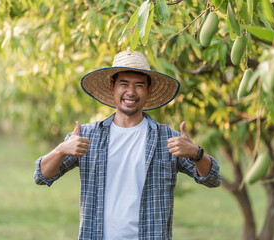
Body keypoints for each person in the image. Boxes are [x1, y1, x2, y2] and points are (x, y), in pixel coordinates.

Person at [34, 51, 221, 240]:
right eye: (124, 84)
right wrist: (60, 150)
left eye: (139, 85)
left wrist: (196, 153)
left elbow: (213, 179)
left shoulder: (168, 140)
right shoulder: (86, 137)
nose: (131, 92)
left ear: (148, 90)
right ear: (112, 86)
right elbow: (41, 176)